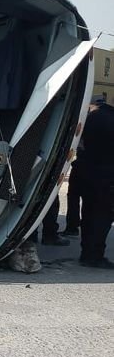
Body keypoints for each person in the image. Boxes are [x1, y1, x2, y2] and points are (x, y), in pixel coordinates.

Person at [78, 94, 114, 268]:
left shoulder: (94, 115)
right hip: (108, 174)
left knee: (88, 212)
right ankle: (95, 255)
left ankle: (86, 252)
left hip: (88, 170)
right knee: (103, 216)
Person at [64, 97, 108, 235]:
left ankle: (72, 227)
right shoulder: (105, 120)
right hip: (99, 167)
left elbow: (80, 140)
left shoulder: (89, 118)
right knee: (90, 200)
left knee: (74, 195)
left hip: (83, 163)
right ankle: (86, 230)